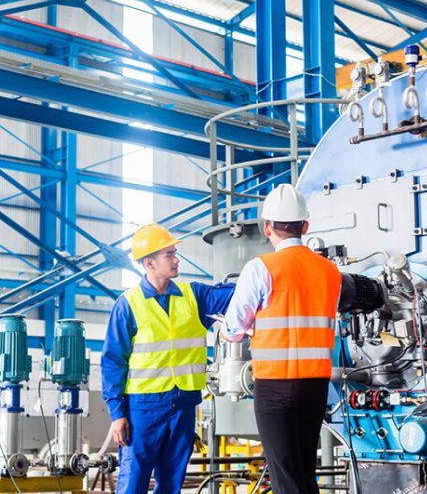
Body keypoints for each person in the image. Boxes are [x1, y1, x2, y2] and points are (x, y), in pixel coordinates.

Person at [222, 184, 342, 494]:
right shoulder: (331, 272)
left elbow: (234, 326)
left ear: (267, 228)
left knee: (285, 477)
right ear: (305, 226)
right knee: (304, 473)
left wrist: (234, 330)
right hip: (316, 386)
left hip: (275, 386)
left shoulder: (260, 268)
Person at [101, 223, 234, 494]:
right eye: (169, 255)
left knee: (172, 483)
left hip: (184, 405)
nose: (176, 260)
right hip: (143, 409)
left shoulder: (193, 296)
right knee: (133, 481)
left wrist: (266, 275)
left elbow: (233, 294)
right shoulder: (128, 304)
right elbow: (113, 361)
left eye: (175, 253)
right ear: (149, 263)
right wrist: (117, 413)